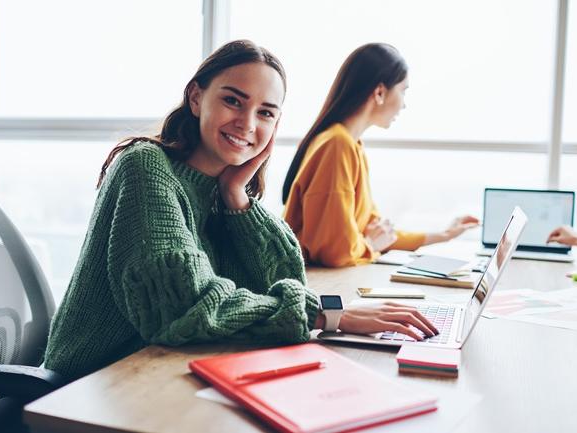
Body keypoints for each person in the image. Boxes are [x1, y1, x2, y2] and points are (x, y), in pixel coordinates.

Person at [44, 40, 438, 381]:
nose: (247, 123)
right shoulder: (147, 167)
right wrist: (328, 316)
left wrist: (237, 196)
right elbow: (183, 309)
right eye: (233, 100)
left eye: (266, 112)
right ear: (196, 98)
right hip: (94, 381)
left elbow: (286, 279)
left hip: (164, 367)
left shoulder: (223, 189)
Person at [282, 43, 479, 268]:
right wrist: (370, 244)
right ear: (379, 92)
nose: (404, 105)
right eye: (403, 90)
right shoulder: (337, 145)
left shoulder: (351, 145)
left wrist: (445, 234)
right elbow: (337, 252)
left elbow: (377, 231)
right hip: (320, 283)